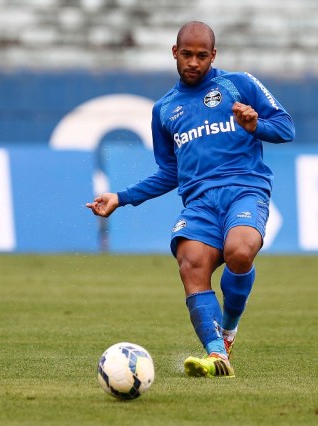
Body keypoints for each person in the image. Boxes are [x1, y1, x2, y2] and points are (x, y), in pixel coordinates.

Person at [86, 21, 295, 378]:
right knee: (191, 263)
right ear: (174, 52)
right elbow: (170, 172)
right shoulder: (164, 110)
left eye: (202, 56)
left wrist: (255, 125)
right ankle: (217, 355)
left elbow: (286, 127)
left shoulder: (240, 84)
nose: (193, 62)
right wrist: (121, 197)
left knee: (240, 250)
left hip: (245, 189)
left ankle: (227, 331)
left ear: (214, 55)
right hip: (199, 204)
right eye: (186, 55)